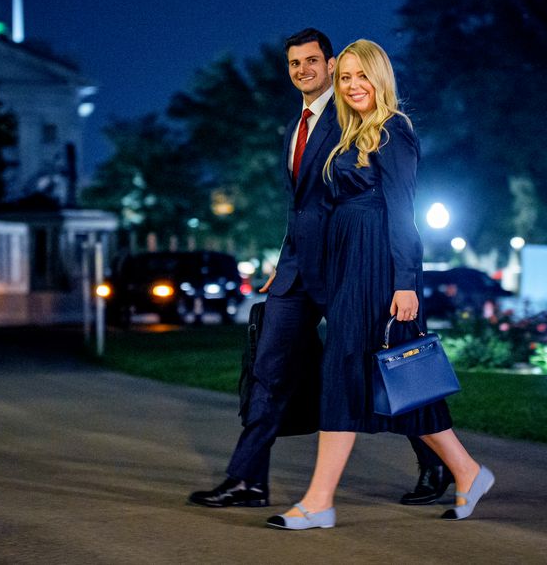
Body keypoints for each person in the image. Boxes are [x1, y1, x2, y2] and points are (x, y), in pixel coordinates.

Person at [188, 29, 449, 509]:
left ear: (330, 65)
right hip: (296, 272)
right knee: (269, 369)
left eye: (313, 61)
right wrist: (283, 258)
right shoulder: (295, 126)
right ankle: (248, 480)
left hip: (349, 266)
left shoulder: (354, 114)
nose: (303, 70)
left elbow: (388, 205)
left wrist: (403, 279)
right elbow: (303, 206)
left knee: (382, 362)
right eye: (294, 63)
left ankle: (438, 461)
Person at [267, 40, 494, 530]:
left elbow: (403, 215)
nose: (351, 86)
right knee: (395, 384)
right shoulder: (350, 135)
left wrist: (407, 283)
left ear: (380, 78)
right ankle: (467, 471)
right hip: (349, 268)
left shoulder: (393, 132)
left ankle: (319, 500)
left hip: (381, 273)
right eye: (345, 77)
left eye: (360, 76)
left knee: (357, 375)